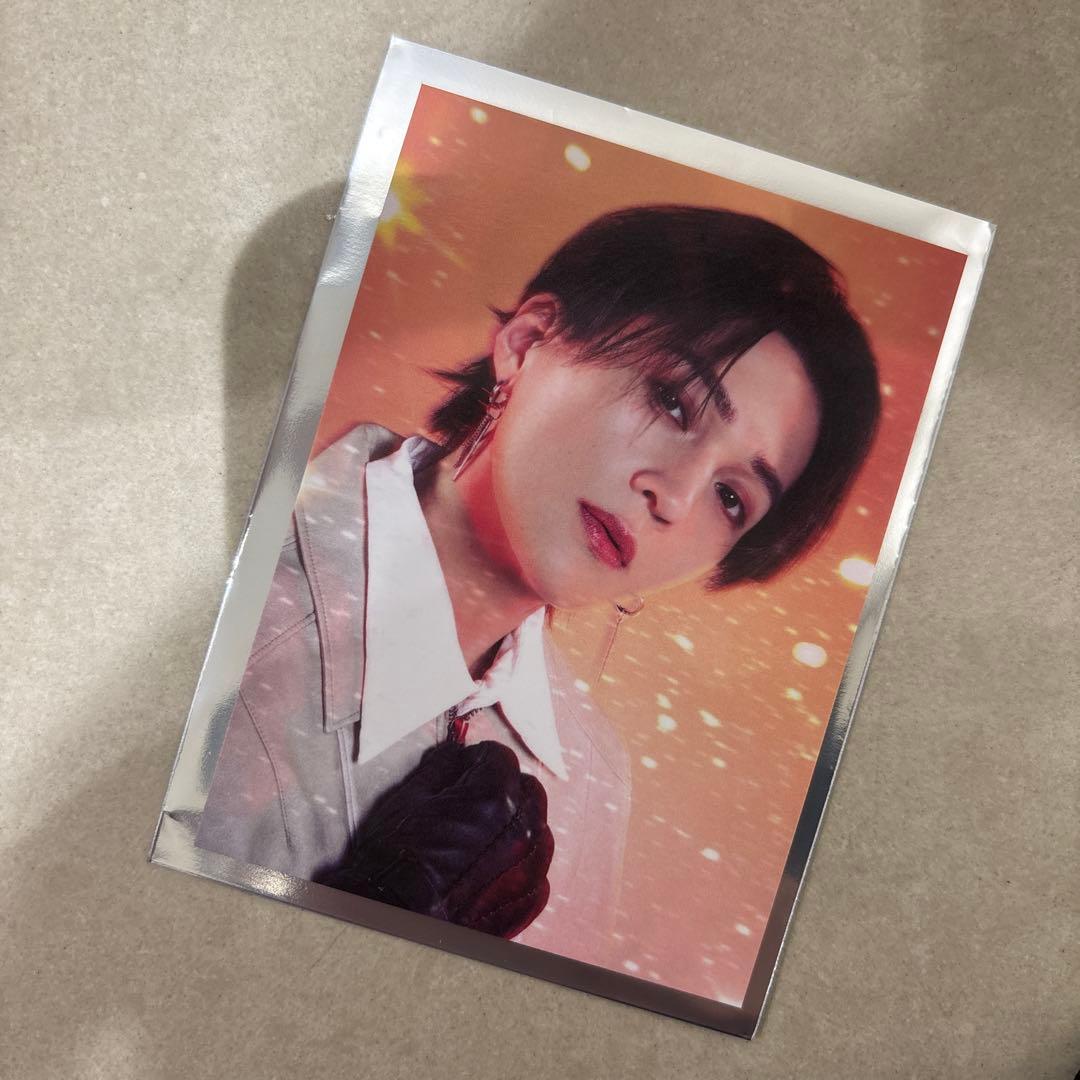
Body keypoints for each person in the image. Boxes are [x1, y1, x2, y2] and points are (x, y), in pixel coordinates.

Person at [196, 204, 880, 969]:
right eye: (672, 400)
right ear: (526, 344)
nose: (676, 495)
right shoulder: (226, 590)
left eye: (731, 497)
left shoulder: (587, 779)